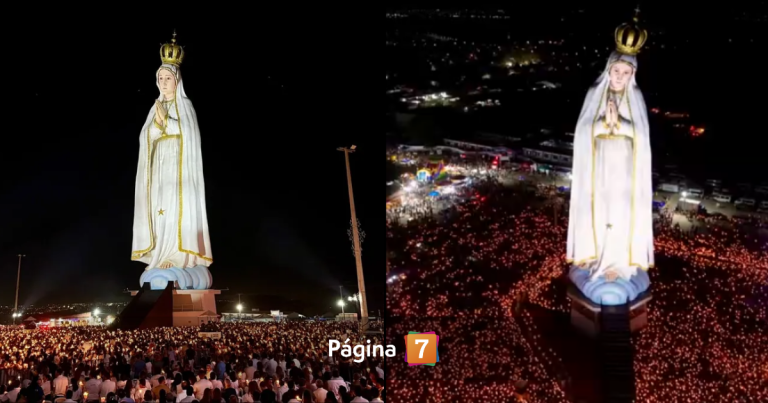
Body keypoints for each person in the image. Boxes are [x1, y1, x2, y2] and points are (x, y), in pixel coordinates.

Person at [566, 10, 653, 294]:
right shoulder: (596, 92)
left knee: (621, 211)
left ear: (632, 74)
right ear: (608, 69)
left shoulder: (635, 97)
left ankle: (618, 263)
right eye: (616, 71)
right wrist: (604, 122)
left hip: (625, 168)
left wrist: (621, 124)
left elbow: (641, 136)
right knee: (599, 209)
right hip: (599, 165)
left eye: (626, 73)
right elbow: (582, 130)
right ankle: (598, 260)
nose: (619, 77)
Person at [131, 32, 213, 290]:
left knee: (177, 212)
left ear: (177, 81)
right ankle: (159, 254)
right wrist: (156, 125)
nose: (164, 82)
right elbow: (145, 136)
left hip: (179, 171)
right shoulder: (155, 107)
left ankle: (177, 256)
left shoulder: (185, 105)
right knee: (159, 212)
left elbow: (189, 135)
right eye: (160, 78)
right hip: (160, 172)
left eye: (168, 78)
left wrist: (167, 122)